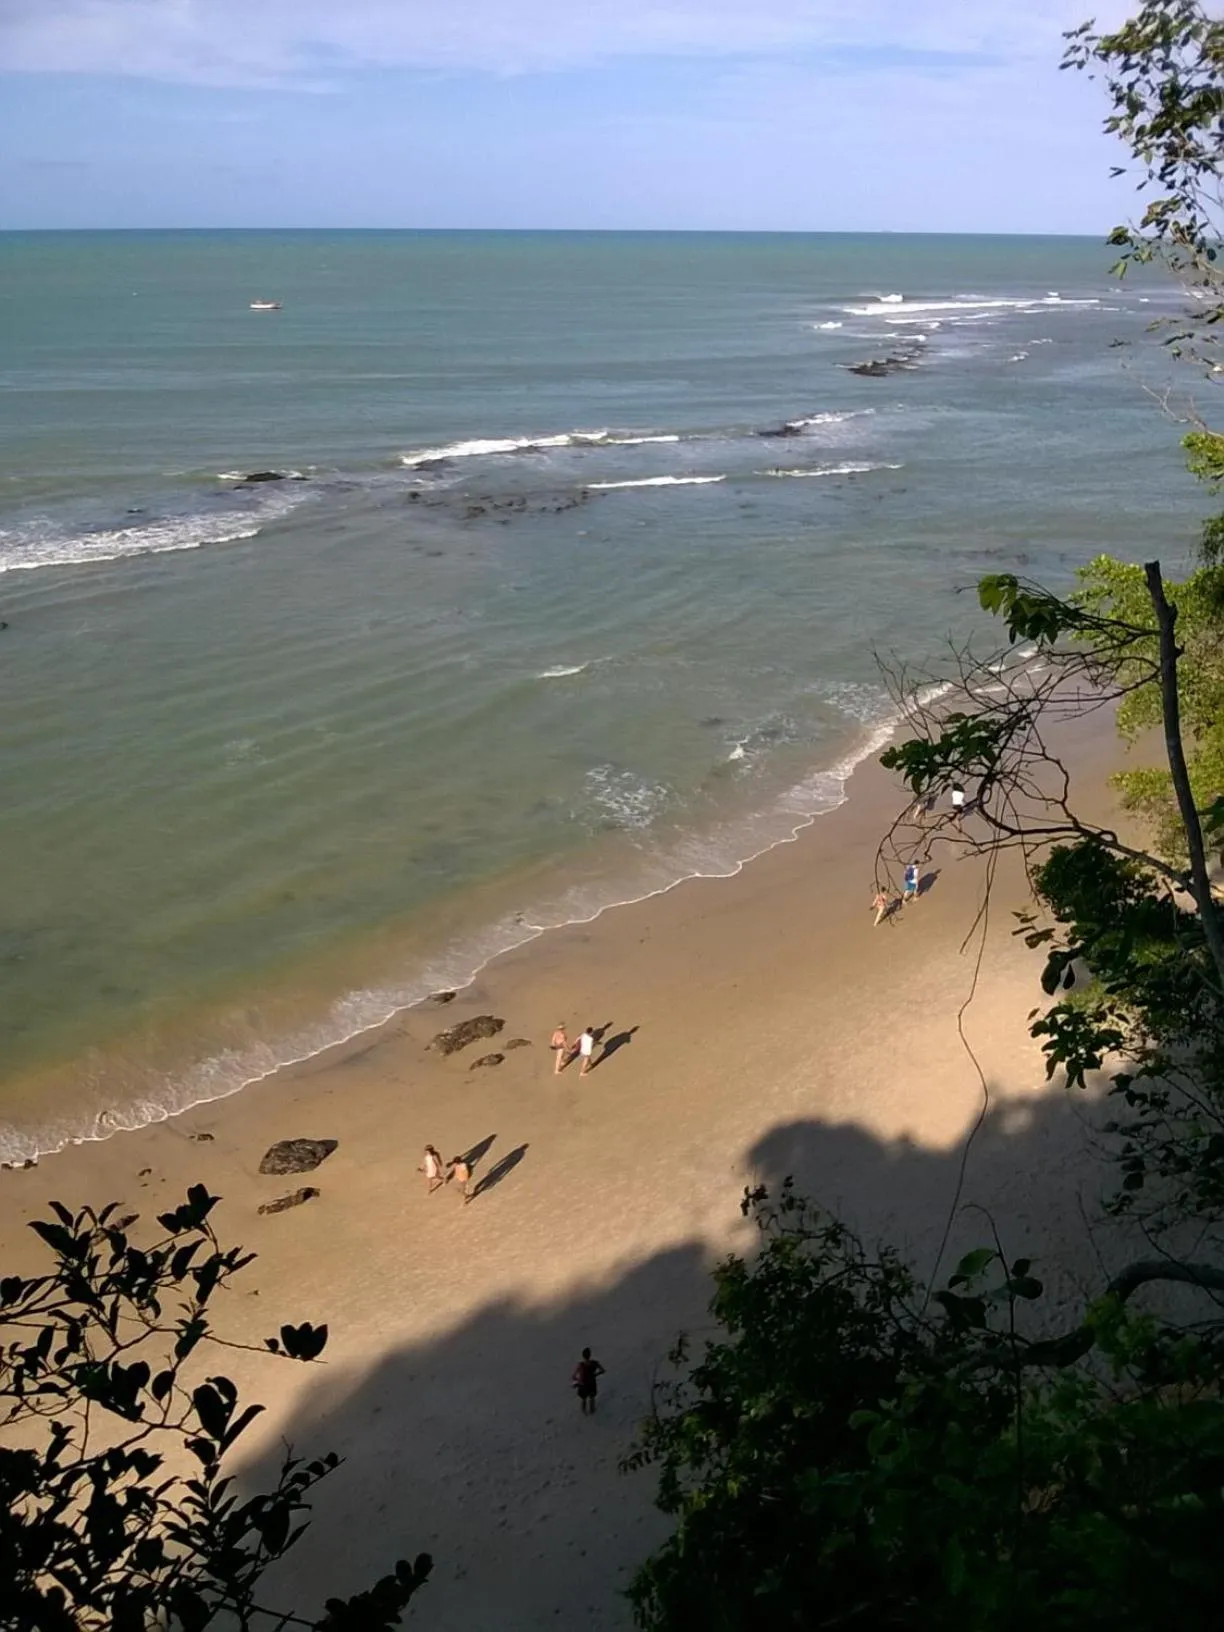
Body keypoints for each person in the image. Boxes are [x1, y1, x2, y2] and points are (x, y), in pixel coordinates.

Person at [572, 1347, 605, 1415]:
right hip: (592, 1383)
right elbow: (602, 1370)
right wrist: (595, 1375)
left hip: (583, 1384)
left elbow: (574, 1376)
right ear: (590, 1355)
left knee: (583, 1399)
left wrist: (578, 1381)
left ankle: (584, 1412)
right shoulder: (594, 1363)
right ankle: (592, 1411)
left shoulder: (581, 1365)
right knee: (592, 1398)